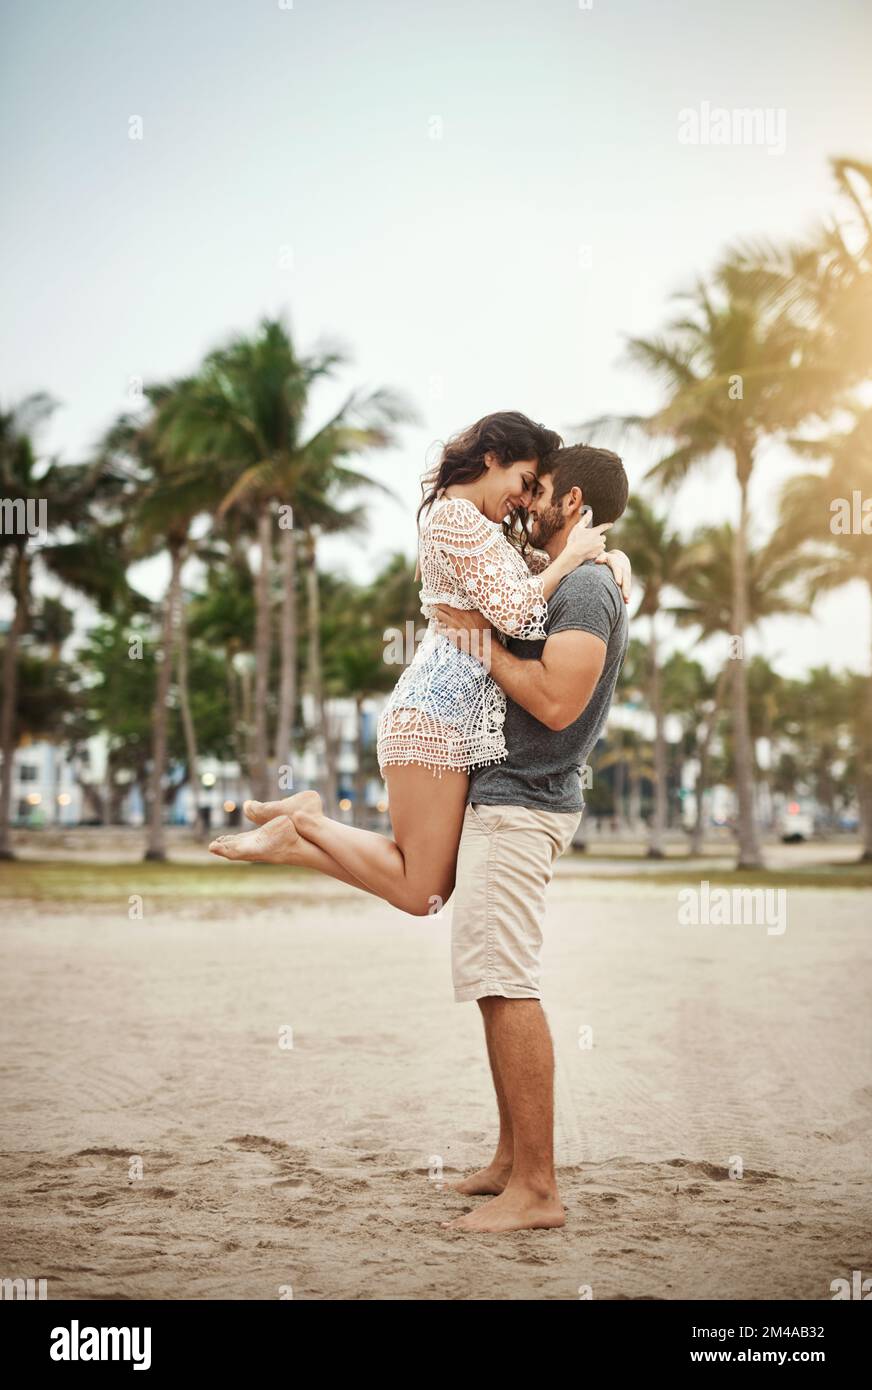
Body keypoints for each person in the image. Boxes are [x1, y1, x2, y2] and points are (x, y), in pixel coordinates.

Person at [208, 413, 629, 914]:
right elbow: (517, 609)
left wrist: (613, 558)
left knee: (428, 887)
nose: (524, 498)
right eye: (524, 482)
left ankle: (299, 833)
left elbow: (550, 573)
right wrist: (570, 559)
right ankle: (307, 825)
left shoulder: (490, 533)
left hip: (451, 718)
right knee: (420, 890)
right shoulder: (454, 517)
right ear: (492, 458)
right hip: (433, 715)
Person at [431, 442, 630, 1233]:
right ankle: (511, 1161)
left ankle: (538, 1191)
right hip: (509, 797)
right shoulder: (574, 575)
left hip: (524, 802)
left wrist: (478, 643)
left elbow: (554, 702)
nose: (523, 501)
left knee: (508, 980)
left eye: (536, 490)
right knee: (490, 980)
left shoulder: (584, 587)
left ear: (570, 501)